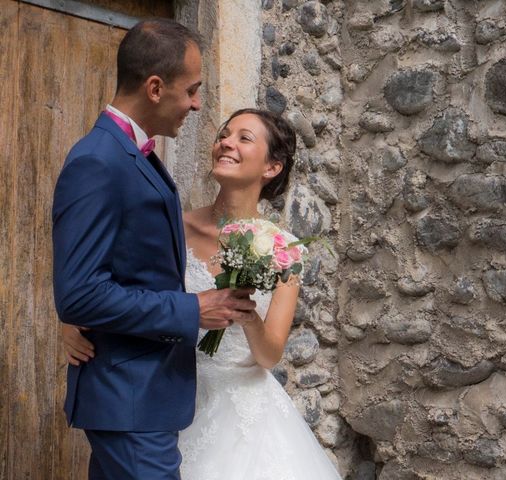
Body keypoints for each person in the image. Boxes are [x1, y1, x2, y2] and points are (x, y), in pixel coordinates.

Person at [63, 108, 342, 479]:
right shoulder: (174, 228)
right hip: (160, 394)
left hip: (243, 414)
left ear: (271, 167)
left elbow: (269, 354)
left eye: (244, 138)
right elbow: (107, 284)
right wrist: (74, 321)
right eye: (225, 134)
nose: (226, 142)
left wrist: (247, 316)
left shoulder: (286, 250)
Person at [52, 19, 256, 480]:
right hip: (129, 398)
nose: (198, 104)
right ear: (156, 87)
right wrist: (191, 310)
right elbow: (79, 293)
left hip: (143, 398)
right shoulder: (98, 161)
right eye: (193, 90)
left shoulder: (132, 154)